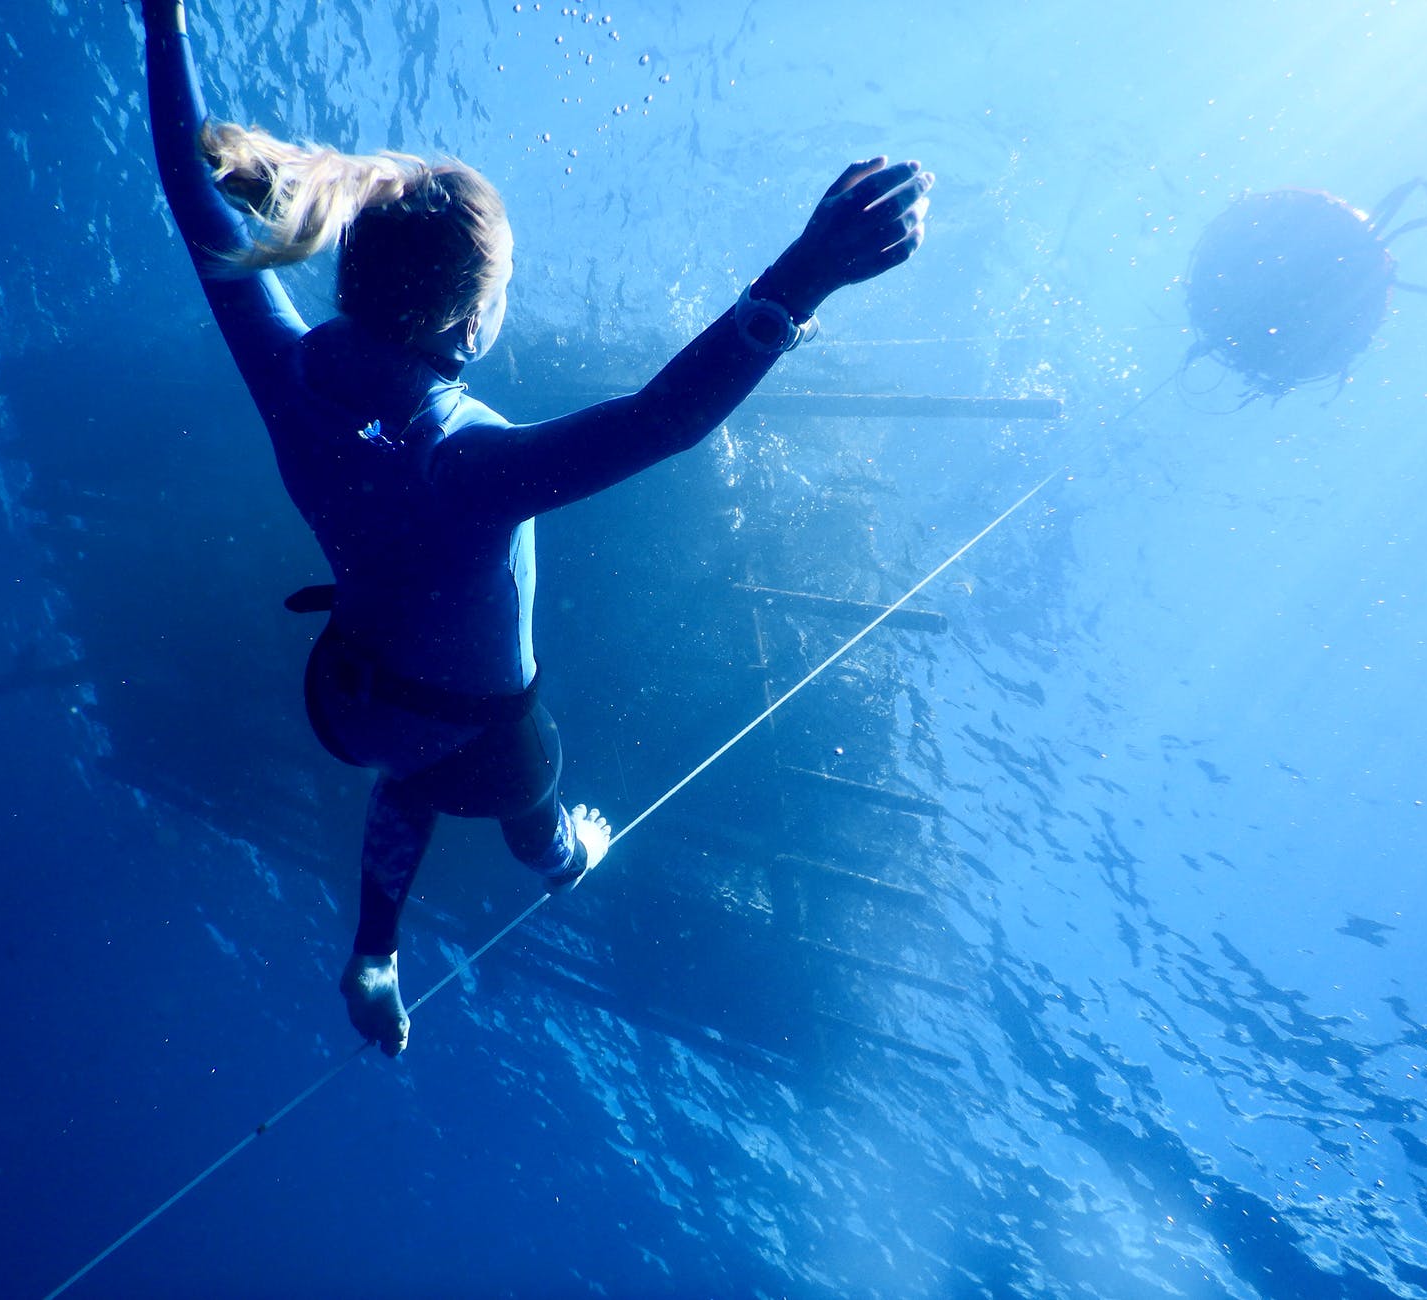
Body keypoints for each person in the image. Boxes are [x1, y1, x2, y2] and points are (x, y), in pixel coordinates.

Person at [140, 0, 933, 1057]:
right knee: (525, 778)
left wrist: (162, 32)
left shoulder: (281, 367)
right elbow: (659, 421)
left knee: (408, 767)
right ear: (471, 323)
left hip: (344, 693)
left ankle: (376, 952)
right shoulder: (457, 463)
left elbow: (189, 190)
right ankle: (560, 855)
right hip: (459, 728)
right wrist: (807, 276)